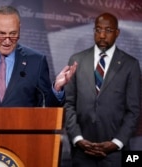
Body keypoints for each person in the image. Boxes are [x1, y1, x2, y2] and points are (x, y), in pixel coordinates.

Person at [64, 12, 141, 167]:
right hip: (82, 153)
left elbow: (133, 110)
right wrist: (78, 139)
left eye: (108, 31)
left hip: (116, 155)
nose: (102, 35)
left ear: (117, 33)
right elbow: (68, 104)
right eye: (98, 30)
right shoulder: (77, 60)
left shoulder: (130, 65)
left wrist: (116, 143)